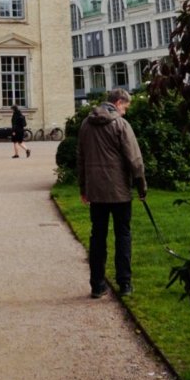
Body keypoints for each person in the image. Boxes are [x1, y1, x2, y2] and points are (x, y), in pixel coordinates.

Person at [77, 88, 146, 299]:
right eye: (125, 107)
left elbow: (81, 158)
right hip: (119, 191)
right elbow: (135, 159)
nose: (125, 112)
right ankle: (124, 283)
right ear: (118, 103)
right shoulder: (121, 125)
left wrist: (83, 188)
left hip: (96, 191)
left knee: (97, 236)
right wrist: (141, 186)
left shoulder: (86, 124)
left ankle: (97, 285)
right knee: (123, 235)